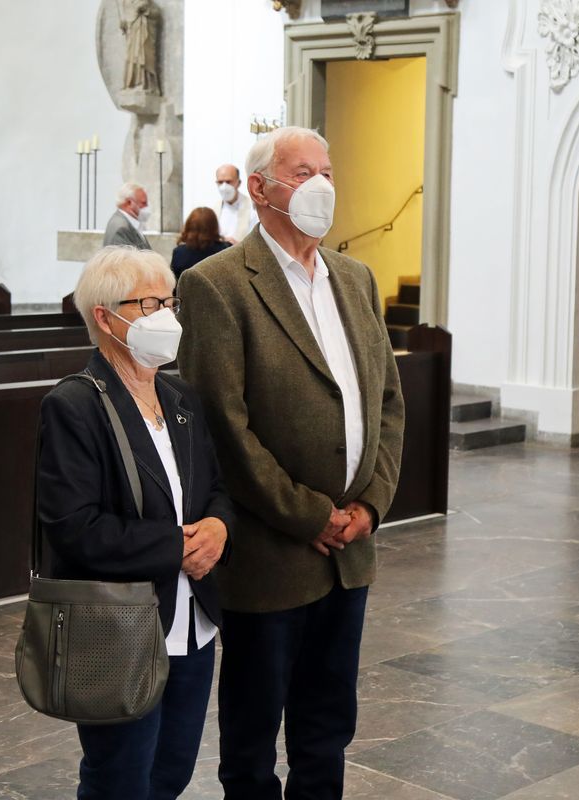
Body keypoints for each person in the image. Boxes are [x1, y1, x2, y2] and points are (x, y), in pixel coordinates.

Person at [176, 126, 405, 800]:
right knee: (252, 734)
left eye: (327, 170)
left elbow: (388, 399)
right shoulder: (217, 284)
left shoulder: (355, 277)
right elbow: (224, 425)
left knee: (327, 725)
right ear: (259, 188)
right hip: (271, 554)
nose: (321, 185)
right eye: (302, 172)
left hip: (349, 552)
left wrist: (369, 506)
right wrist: (310, 514)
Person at [36, 245, 233, 799]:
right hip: (119, 628)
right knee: (120, 779)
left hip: (192, 623)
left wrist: (218, 528)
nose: (167, 316)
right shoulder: (75, 405)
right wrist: (176, 546)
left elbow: (214, 488)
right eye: (150, 303)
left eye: (170, 301)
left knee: (170, 773)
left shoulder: (179, 396)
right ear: (105, 316)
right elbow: (74, 526)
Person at [170, 207, 229, 280]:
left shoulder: (178, 253)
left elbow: (174, 285)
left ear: (188, 227)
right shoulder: (226, 251)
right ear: (214, 227)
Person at [210, 163, 254, 244]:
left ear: (239, 182)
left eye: (228, 182)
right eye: (220, 182)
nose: (224, 186)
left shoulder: (252, 208)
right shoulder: (213, 209)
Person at [104, 182, 153, 250]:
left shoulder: (130, 224)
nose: (147, 207)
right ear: (129, 203)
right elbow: (125, 259)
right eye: (143, 203)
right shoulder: (121, 227)